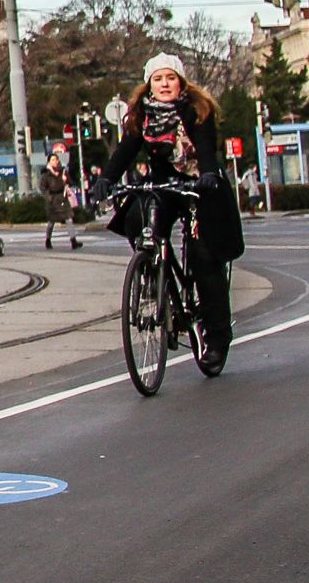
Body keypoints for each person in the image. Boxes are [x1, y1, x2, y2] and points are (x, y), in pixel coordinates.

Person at [93, 53, 245, 373]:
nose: (164, 84)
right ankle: (152, 268)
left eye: (170, 78)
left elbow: (204, 148)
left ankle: (217, 337)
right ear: (149, 83)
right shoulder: (142, 115)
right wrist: (106, 178)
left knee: (204, 258)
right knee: (136, 216)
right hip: (163, 183)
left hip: (200, 184)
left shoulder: (195, 110)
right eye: (158, 79)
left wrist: (206, 174)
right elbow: (126, 150)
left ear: (180, 82)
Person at [40, 150, 80, 249]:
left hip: (62, 197)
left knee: (69, 219)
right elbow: (42, 188)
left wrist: (66, 180)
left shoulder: (63, 171)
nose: (55, 161)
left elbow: (70, 182)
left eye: (56, 159)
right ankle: (48, 240)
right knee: (51, 222)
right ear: (49, 162)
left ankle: (73, 240)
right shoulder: (46, 174)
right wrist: (48, 197)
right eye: (52, 160)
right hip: (52, 199)